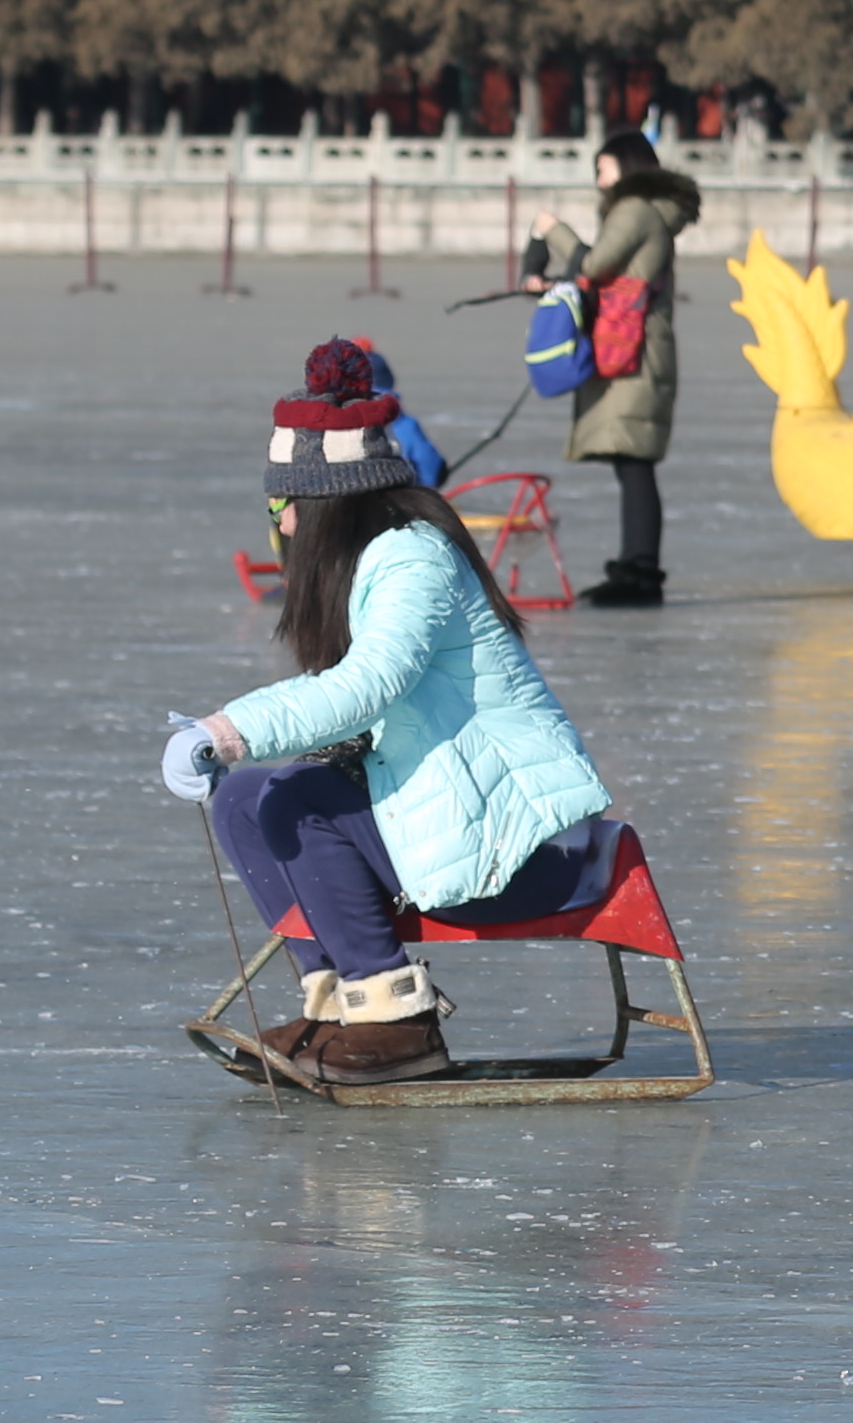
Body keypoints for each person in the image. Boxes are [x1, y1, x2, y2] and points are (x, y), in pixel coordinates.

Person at [197, 346, 625, 1076]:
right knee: (241, 799)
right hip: (453, 816)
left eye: (282, 505)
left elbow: (371, 683)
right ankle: (336, 1005)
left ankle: (397, 1019)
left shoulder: (411, 558)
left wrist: (231, 729)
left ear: (327, 502)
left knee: (300, 803)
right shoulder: (371, 561)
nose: (282, 527)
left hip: (523, 851)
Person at [546, 126, 703, 608]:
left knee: (634, 463)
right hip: (640, 350)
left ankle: (640, 574)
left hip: (633, 355)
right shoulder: (652, 213)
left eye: (602, 170)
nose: (598, 181)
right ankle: (636, 567)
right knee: (631, 462)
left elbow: (594, 265)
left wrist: (552, 230)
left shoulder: (635, 210)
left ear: (624, 168)